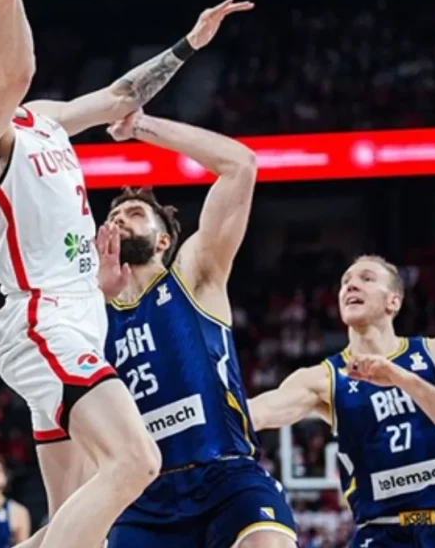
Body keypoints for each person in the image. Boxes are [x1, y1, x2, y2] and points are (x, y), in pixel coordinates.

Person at [0, 0, 252, 547]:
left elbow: (119, 98)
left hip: (81, 317)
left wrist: (188, 45)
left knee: (72, 524)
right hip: (43, 321)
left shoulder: (38, 117)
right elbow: (15, 73)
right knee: (136, 463)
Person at [97, 110, 296, 548]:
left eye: (134, 213)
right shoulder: (91, 316)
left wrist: (140, 127)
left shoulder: (193, 275)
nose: (120, 220)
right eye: (113, 217)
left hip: (226, 476)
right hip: (143, 498)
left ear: (163, 240)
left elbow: (240, 164)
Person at [248, 255, 435, 547]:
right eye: (345, 282)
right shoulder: (325, 378)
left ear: (393, 301)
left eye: (366, 278)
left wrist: (400, 378)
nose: (351, 285)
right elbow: (255, 413)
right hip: (381, 532)